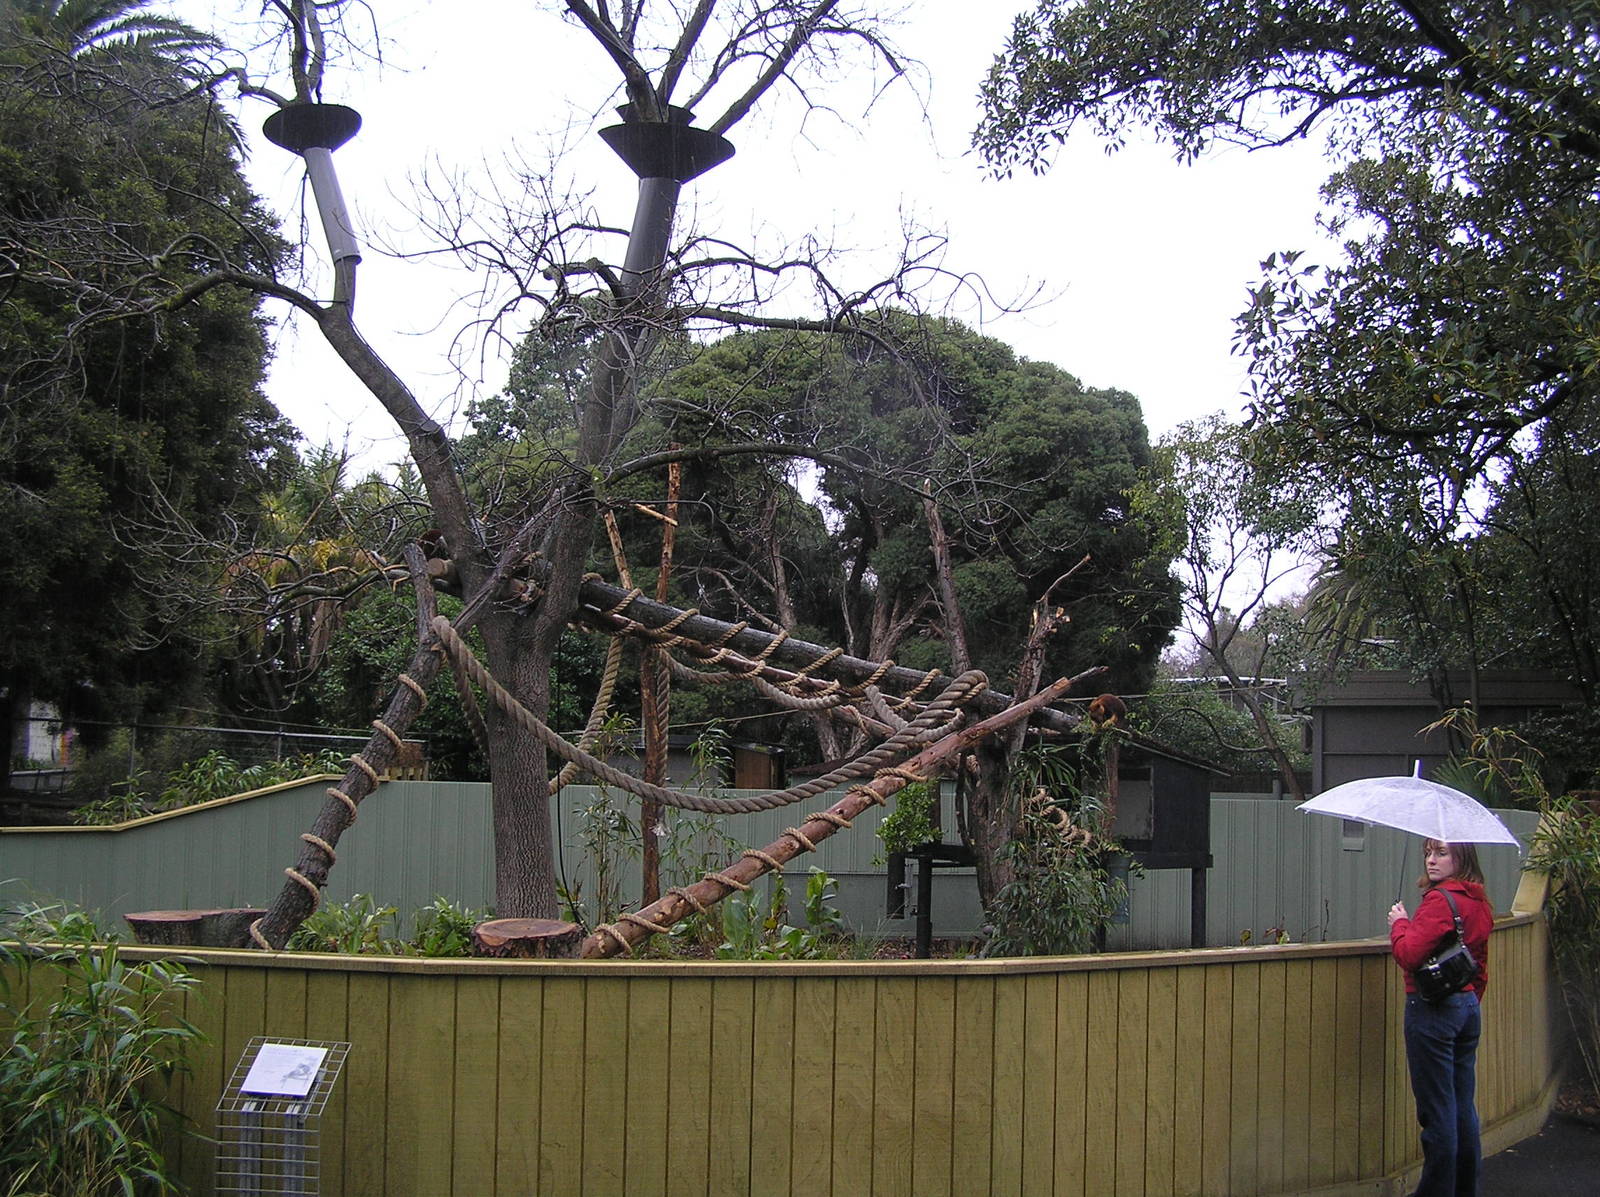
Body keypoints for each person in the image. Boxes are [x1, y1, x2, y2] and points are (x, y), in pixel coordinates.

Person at [1387, 839, 1494, 1197]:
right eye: (1428, 853)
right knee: (1462, 1104)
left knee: (1437, 1112)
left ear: (1461, 857)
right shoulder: (1478, 901)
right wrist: (1468, 1001)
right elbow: (1478, 963)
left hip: (1432, 1010)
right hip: (1466, 1008)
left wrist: (1399, 923)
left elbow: (1408, 954)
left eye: (1441, 853)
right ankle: (1465, 1188)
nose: (1432, 860)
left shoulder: (1438, 902)